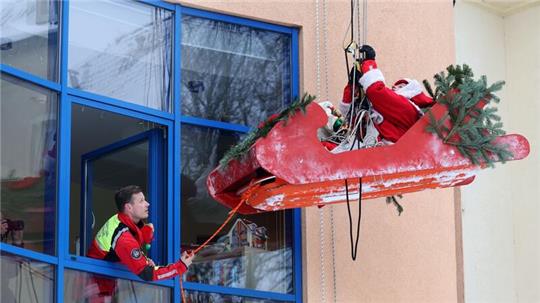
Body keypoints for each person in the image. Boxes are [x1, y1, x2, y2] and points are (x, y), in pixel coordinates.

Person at [86, 185, 194, 301]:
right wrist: (180, 266)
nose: (147, 204)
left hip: (106, 286)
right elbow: (147, 274)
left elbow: (123, 254)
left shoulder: (120, 220)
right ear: (129, 207)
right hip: (98, 291)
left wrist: (145, 254)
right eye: (141, 201)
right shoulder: (123, 237)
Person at [339, 44, 434, 144]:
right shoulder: (382, 114)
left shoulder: (409, 110)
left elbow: (376, 91)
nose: (393, 87)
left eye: (400, 86)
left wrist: (369, 63)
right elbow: (353, 120)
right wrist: (352, 87)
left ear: (410, 91)